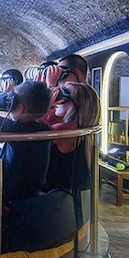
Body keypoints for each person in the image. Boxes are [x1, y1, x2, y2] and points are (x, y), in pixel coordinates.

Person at [43, 64, 101, 222]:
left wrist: (48, 91)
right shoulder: (77, 125)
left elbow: (35, 128)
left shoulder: (67, 129)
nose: (59, 96)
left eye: (64, 95)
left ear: (76, 106)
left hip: (57, 201)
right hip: (66, 196)